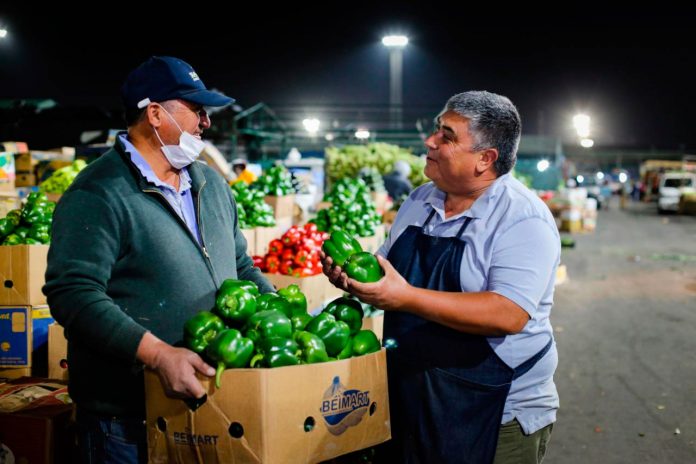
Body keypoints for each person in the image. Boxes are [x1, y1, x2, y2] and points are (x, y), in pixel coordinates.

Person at [43, 56, 274, 463]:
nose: (206, 123)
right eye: (197, 111)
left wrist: (280, 314)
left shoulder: (211, 183)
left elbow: (241, 267)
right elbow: (72, 293)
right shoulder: (98, 193)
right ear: (155, 114)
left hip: (211, 405)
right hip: (128, 419)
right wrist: (158, 354)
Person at [322, 91, 560, 464]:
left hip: (492, 411)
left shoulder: (522, 219)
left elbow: (508, 313)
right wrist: (357, 280)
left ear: (485, 159)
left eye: (446, 136)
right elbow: (386, 272)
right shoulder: (419, 201)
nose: (430, 141)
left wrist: (403, 298)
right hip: (412, 397)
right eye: (436, 129)